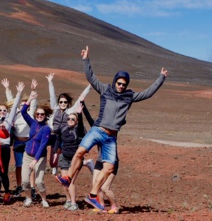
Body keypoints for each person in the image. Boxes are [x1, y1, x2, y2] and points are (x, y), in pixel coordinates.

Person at [56, 46, 168, 210]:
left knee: (109, 167)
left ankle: (93, 195)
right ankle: (68, 178)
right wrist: (86, 59)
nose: (121, 86)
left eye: (124, 84)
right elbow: (91, 77)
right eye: (119, 83)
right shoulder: (105, 89)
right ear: (115, 81)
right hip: (97, 130)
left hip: (111, 137)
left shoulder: (130, 96)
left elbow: (148, 93)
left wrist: (161, 78)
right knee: (80, 151)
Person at [0, 80, 25, 202]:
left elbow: (14, 107)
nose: (2, 112)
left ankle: (7, 191)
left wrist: (18, 93)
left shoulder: (9, 119)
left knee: (3, 170)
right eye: (0, 110)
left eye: (4, 110)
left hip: (5, 148)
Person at [46, 73, 90, 173]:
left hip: (65, 135)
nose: (63, 104)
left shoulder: (70, 111)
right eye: (61, 102)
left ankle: (71, 167)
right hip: (54, 136)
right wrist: (50, 82)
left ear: (68, 103)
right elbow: (52, 96)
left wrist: (89, 86)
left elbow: (80, 99)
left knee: (66, 155)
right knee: (52, 162)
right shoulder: (55, 109)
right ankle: (54, 165)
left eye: (65, 102)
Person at [3, 79, 38, 197]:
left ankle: (32, 187)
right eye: (22, 104)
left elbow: (33, 103)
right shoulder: (16, 113)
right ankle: (19, 186)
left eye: (25, 105)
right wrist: (7, 89)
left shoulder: (31, 113)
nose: (24, 106)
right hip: (18, 142)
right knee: (18, 165)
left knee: (31, 166)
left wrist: (33, 90)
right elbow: (11, 102)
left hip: (29, 142)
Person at [20, 91, 52, 208]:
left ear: (45, 115)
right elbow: (23, 112)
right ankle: (28, 198)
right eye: (38, 114)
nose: (39, 116)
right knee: (25, 181)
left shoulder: (46, 129)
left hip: (40, 157)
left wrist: (35, 160)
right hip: (28, 155)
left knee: (39, 182)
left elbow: (43, 145)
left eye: (42, 114)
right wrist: (30, 99)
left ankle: (44, 199)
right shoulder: (32, 123)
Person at [55, 105, 86, 211]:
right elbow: (58, 140)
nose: (70, 120)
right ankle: (68, 200)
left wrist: (80, 114)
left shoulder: (79, 130)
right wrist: (55, 152)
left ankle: (74, 203)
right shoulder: (63, 129)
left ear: (76, 121)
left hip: (75, 159)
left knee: (70, 181)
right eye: (69, 119)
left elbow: (81, 125)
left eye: (73, 119)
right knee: (64, 182)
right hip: (64, 157)